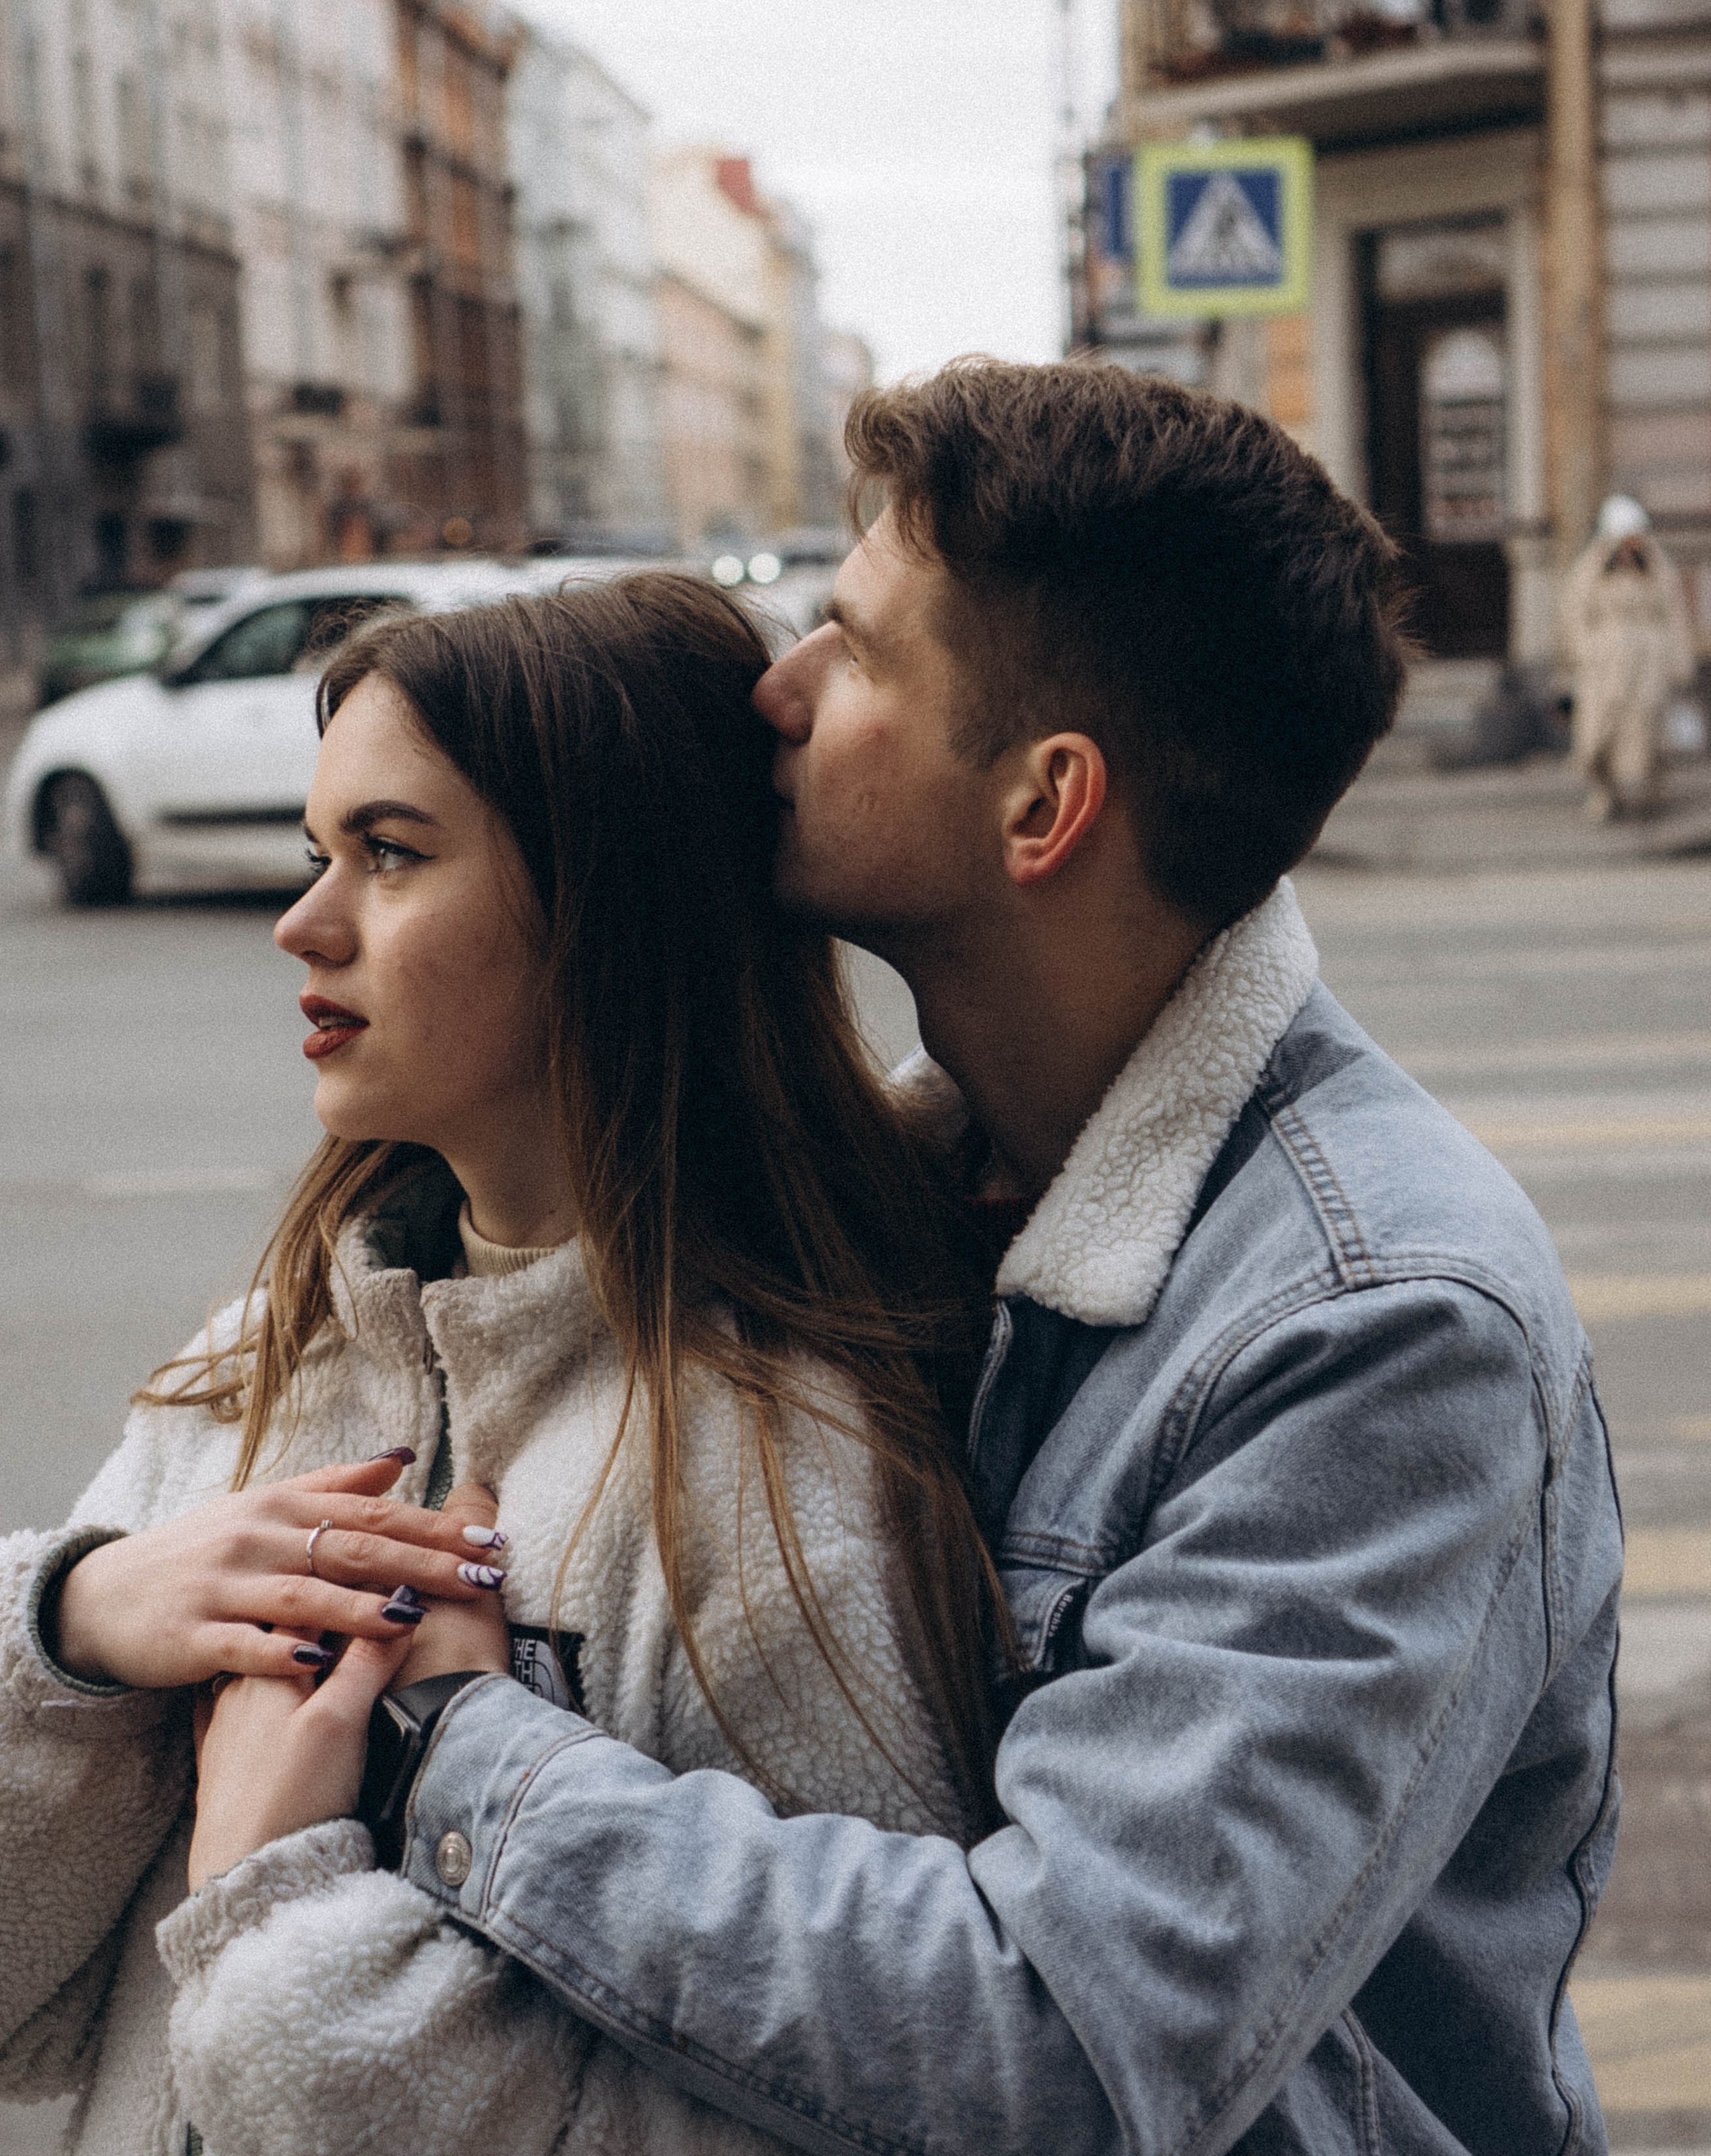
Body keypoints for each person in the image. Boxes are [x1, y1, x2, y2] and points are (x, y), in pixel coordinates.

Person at [382, 360, 1625, 2156]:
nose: (777, 689)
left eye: (857, 649)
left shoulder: (1380, 1321)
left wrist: (461, 1746)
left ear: (1045, 805)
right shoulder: (910, 1198)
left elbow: (1063, 2037)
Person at [0, 576, 1001, 2156]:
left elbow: (848, 2105)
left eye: (390, 853)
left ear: (607, 907)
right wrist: (73, 1631)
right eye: (317, 853)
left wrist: (281, 1921)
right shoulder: (269, 1355)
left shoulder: (774, 1480)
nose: (303, 924)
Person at [1564, 491, 1696, 821]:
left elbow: (1674, 617)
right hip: (1604, 667)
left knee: (1650, 733)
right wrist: (1585, 652)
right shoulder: (1591, 571)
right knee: (1596, 735)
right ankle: (1603, 791)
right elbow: (1575, 614)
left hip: (1648, 664)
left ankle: (1649, 793)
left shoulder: (1658, 571)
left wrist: (1678, 660)